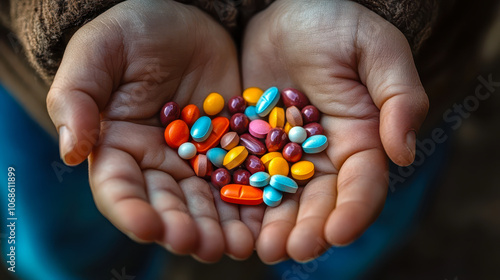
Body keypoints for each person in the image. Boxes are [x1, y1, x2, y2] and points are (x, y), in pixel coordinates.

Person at [2, 0, 495, 279]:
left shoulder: (269, 138)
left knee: (352, 228)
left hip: (393, 74)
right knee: (54, 233)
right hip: (51, 80)